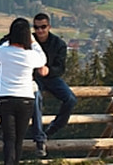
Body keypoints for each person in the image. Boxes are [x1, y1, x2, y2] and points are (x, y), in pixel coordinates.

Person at [0, 18, 47, 165]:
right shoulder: (30, 56)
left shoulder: (3, 51)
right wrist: (34, 43)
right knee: (19, 139)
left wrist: (7, 40)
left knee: (9, 139)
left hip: (6, 98)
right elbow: (42, 59)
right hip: (25, 99)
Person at [32, 13, 78, 147]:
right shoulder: (29, 42)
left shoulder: (59, 44)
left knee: (70, 99)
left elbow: (61, 68)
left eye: (43, 27)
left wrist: (49, 70)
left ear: (49, 27)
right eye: (36, 27)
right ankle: (39, 137)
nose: (39, 30)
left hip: (52, 78)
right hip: (34, 79)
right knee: (36, 99)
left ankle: (54, 127)